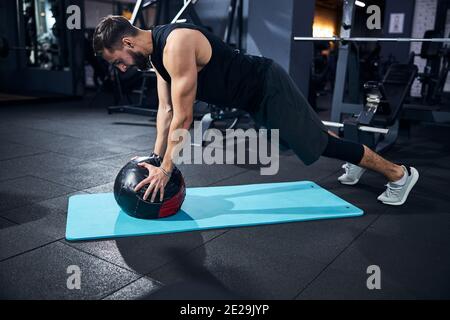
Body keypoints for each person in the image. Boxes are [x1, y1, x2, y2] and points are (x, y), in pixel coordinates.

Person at [92, 16, 419, 206]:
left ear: (128, 43)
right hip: (252, 96)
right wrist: (154, 158)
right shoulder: (155, 57)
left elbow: (183, 117)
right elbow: (165, 111)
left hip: (266, 86)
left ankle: (399, 174)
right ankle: (356, 161)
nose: (121, 69)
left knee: (319, 145)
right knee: (304, 137)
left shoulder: (175, 45)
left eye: (117, 60)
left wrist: (165, 169)